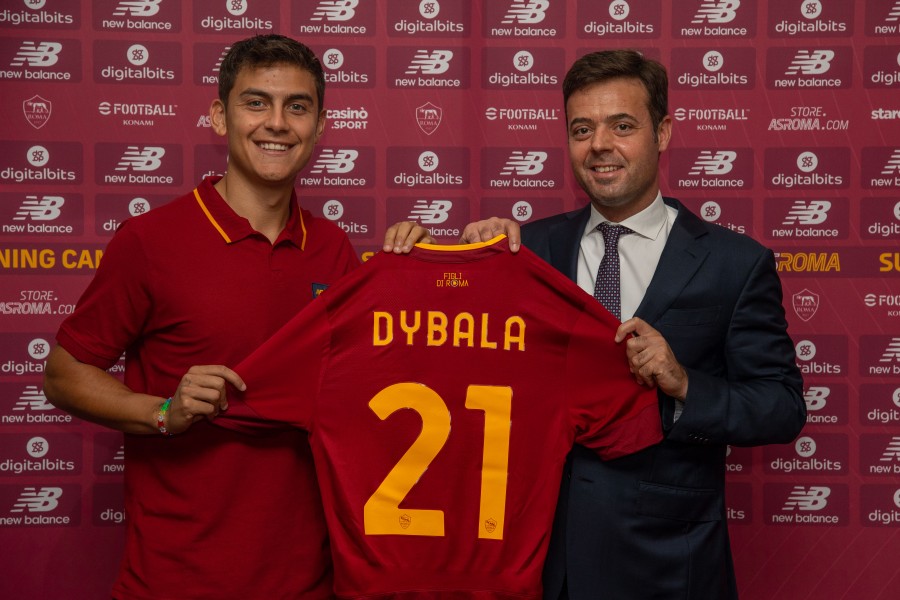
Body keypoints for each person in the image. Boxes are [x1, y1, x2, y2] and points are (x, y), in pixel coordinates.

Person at [43, 35, 429, 599]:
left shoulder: (335, 249)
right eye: (256, 103)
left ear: (319, 127)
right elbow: (62, 373)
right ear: (219, 116)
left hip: (308, 580)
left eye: (297, 107)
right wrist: (163, 411)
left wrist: (427, 271)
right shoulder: (151, 240)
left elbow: (374, 389)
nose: (276, 123)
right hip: (175, 580)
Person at [458, 50, 806, 599]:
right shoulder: (530, 251)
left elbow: (781, 406)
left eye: (622, 126)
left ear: (663, 132)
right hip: (540, 562)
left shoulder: (734, 263)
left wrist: (684, 383)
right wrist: (458, 262)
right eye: (582, 128)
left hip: (669, 564)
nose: (600, 145)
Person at [218, 234, 663, 599]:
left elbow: (242, 395)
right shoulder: (539, 299)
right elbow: (634, 418)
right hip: (501, 583)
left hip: (377, 583)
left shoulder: (358, 299)